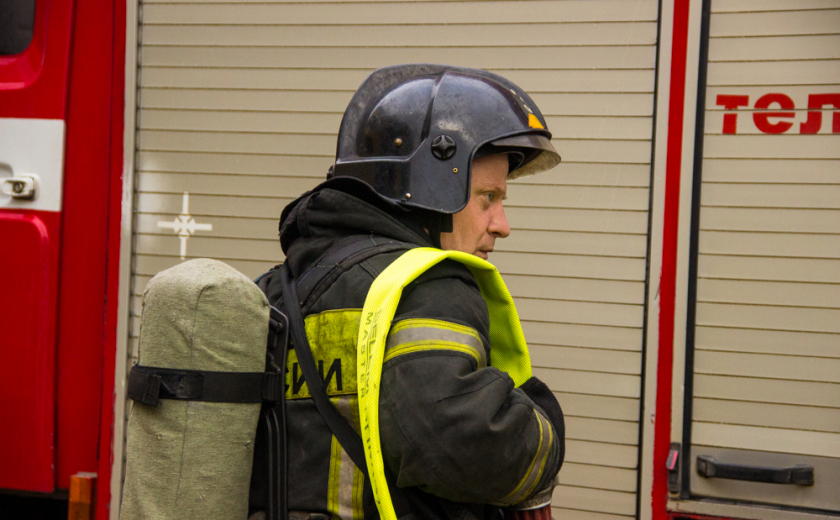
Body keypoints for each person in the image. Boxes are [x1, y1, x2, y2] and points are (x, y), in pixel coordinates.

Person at [259, 64, 565, 520]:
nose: (502, 225)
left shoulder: (277, 292)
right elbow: (470, 445)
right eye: (488, 198)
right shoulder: (427, 288)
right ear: (430, 188)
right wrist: (542, 421)